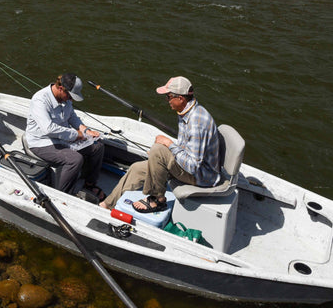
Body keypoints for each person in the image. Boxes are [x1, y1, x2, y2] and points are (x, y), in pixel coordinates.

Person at [99, 76, 220, 212]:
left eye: (169, 97)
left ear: (180, 98)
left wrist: (167, 146)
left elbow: (193, 166)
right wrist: (162, 155)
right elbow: (186, 148)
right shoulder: (185, 111)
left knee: (159, 150)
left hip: (200, 176)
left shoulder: (197, 123)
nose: (167, 100)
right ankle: (107, 204)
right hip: (187, 166)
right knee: (136, 169)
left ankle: (157, 199)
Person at [24, 73, 105, 199]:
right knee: (74, 159)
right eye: (70, 96)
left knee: (98, 147)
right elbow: (48, 129)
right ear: (61, 88)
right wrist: (76, 135)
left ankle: (89, 184)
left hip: (62, 138)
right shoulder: (40, 100)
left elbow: (72, 116)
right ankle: (62, 195)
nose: (71, 99)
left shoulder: (64, 98)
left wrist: (86, 131)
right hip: (42, 142)